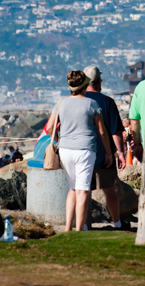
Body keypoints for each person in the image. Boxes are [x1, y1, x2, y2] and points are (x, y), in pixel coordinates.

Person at [44, 70, 113, 232]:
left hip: (65, 149)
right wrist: (109, 153)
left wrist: (62, 134)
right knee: (83, 191)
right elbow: (102, 132)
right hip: (85, 149)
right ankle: (79, 229)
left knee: (73, 189)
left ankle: (68, 228)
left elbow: (48, 128)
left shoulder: (61, 103)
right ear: (84, 86)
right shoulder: (91, 104)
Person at [83, 65, 128, 230]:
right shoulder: (107, 102)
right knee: (109, 190)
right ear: (99, 81)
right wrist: (120, 153)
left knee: (84, 191)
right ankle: (116, 223)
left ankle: (85, 225)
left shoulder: (77, 100)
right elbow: (115, 131)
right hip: (104, 155)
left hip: (83, 153)